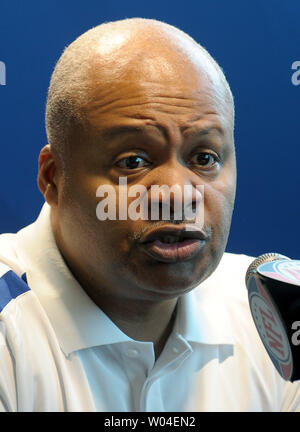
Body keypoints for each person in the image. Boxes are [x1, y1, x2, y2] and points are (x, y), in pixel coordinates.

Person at [0, 17, 299, 412]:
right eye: (133, 161)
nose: (177, 194)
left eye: (204, 158)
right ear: (54, 178)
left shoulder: (279, 315)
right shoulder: (10, 332)